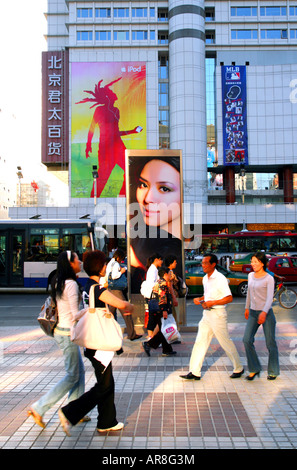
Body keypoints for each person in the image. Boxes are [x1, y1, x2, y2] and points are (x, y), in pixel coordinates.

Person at [58, 250, 135, 436]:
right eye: (103, 265)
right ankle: (69, 413)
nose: (105, 267)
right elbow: (120, 304)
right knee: (104, 385)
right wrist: (129, 306)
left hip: (94, 343)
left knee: (107, 382)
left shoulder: (89, 286)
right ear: (100, 267)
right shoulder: (97, 289)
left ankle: (106, 421)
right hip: (98, 345)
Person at [27, 251, 87, 428]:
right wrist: (91, 310)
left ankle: (76, 410)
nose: (80, 261)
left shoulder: (61, 281)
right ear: (71, 264)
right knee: (72, 375)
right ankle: (39, 407)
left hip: (62, 331)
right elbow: (76, 314)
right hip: (67, 334)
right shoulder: (71, 285)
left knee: (79, 372)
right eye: (77, 259)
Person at [180, 254, 244, 381]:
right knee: (200, 341)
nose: (202, 265)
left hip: (218, 314)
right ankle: (194, 371)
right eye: (202, 263)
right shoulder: (205, 278)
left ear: (213, 264)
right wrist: (201, 299)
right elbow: (208, 295)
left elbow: (229, 298)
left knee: (225, 341)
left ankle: (238, 368)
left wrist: (212, 303)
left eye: (205, 263)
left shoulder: (220, 278)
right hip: (207, 314)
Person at [76, 77, 143, 198]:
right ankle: (93, 200)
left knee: (130, 171)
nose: (114, 94)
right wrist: (88, 145)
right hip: (106, 147)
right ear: (107, 97)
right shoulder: (99, 110)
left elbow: (116, 132)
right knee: (102, 177)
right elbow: (92, 128)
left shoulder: (116, 110)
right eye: (111, 93)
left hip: (118, 145)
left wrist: (132, 131)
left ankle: (123, 196)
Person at [128, 156, 183, 291]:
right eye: (143, 185)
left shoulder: (174, 249)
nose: (148, 198)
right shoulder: (137, 238)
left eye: (164, 189)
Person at [243, 251, 279, 380]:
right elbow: (248, 293)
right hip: (253, 312)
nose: (252, 264)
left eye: (255, 262)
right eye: (252, 261)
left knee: (270, 343)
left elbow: (270, 298)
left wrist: (264, 312)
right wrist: (247, 307)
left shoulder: (269, 278)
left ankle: (273, 371)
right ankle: (254, 368)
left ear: (262, 264)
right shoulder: (250, 275)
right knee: (246, 340)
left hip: (266, 313)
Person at [106, 249, 142, 341]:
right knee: (126, 311)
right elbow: (114, 276)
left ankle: (109, 333)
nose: (121, 260)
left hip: (111, 289)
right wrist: (122, 271)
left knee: (111, 313)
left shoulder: (110, 263)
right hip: (117, 291)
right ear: (118, 257)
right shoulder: (116, 264)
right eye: (121, 258)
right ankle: (132, 334)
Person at [142, 267, 177, 357]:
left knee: (164, 329)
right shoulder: (163, 283)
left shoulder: (160, 282)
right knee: (163, 330)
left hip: (158, 309)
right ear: (165, 274)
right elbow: (162, 298)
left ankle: (167, 350)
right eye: (169, 273)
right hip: (160, 310)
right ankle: (149, 344)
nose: (170, 275)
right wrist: (164, 310)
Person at [144, 253, 163, 339]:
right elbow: (151, 283)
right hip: (153, 297)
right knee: (153, 317)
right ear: (157, 260)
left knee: (154, 317)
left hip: (153, 297)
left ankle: (151, 336)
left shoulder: (154, 269)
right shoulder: (153, 270)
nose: (162, 262)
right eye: (161, 259)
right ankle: (151, 336)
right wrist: (158, 286)